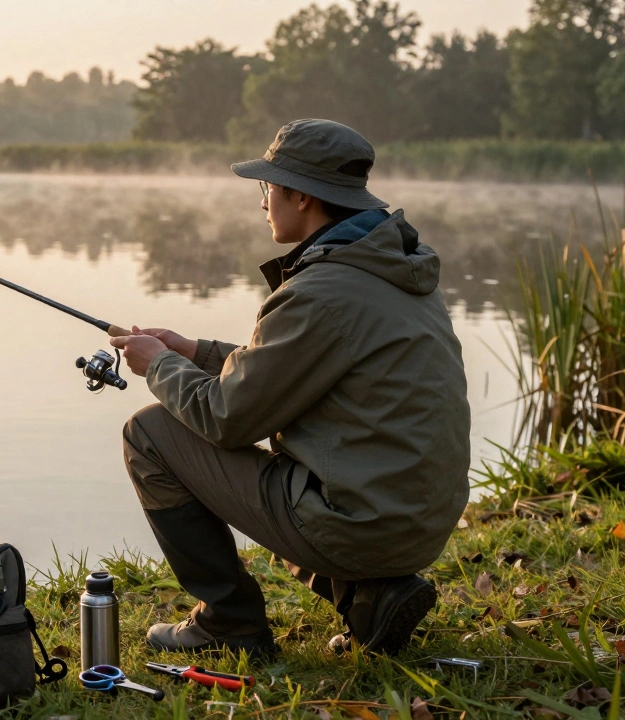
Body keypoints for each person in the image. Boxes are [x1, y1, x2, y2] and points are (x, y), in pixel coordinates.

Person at [109, 118, 470, 658]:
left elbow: (228, 418)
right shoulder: (389, 267)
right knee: (282, 471)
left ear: (301, 196)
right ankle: (372, 596)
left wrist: (158, 365)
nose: (262, 202)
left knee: (150, 433)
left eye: (267, 187)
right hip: (418, 520)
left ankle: (228, 623)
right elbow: (299, 367)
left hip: (363, 524)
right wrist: (193, 352)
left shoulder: (321, 289)